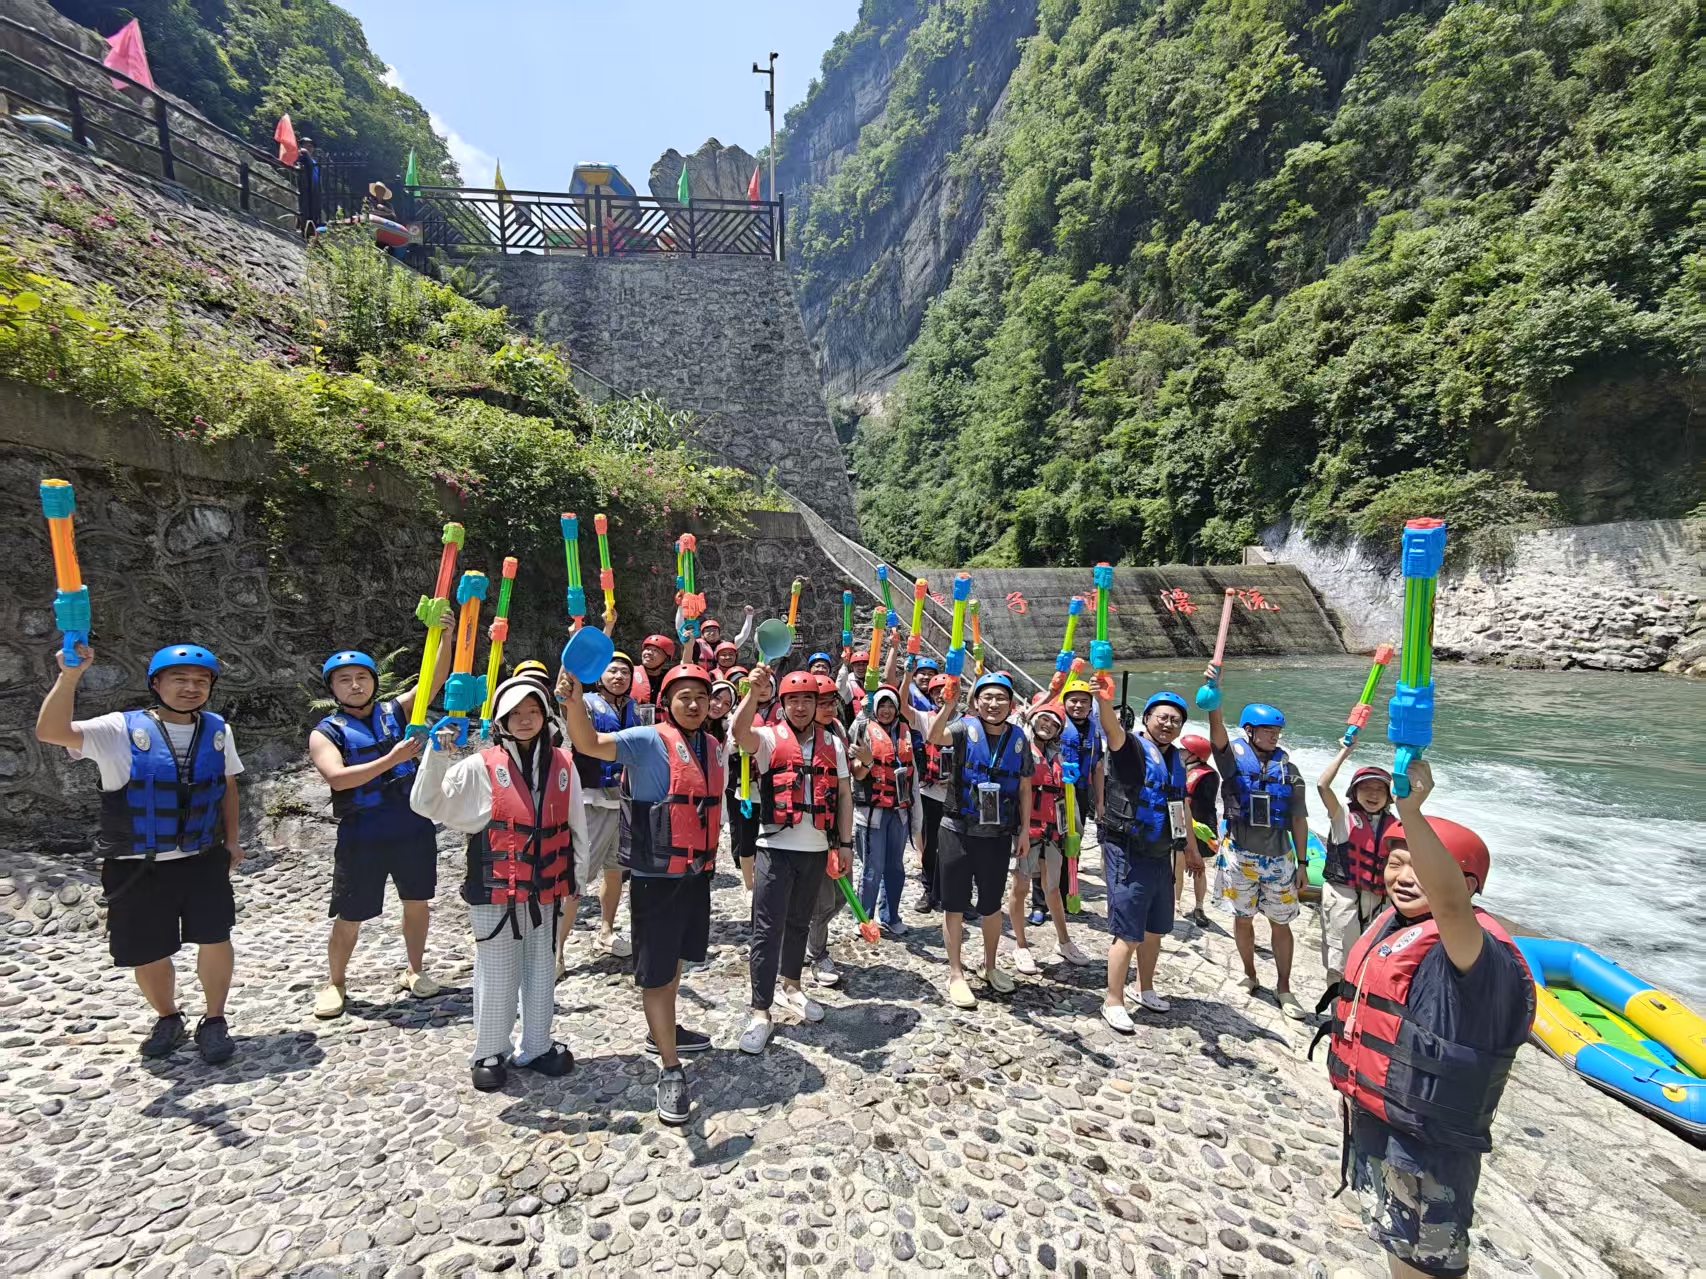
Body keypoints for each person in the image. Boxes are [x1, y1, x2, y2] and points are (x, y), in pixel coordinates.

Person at [1318, 761, 1534, 1279]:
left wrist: (1410, 811)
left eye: (1420, 866)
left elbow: (1451, 907)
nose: (1404, 877)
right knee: (1394, 1237)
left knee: (1429, 1262)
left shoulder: (1473, 952)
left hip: (1428, 1145)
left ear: (1467, 885)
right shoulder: (1395, 924)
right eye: (1396, 863)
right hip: (1380, 1117)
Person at [35, 642, 244, 1063]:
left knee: (215, 938)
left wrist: (233, 840)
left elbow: (227, 785)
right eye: (179, 679)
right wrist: (70, 675)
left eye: (201, 681)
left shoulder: (218, 729)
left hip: (203, 857)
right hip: (137, 864)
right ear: (155, 683)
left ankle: (214, 1019)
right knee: (149, 949)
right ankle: (168, 1017)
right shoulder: (118, 729)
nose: (191, 688)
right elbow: (51, 732)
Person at [560, 663, 724, 1126]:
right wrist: (574, 702)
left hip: (694, 874)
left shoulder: (712, 747)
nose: (693, 704)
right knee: (656, 974)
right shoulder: (647, 739)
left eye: (700, 697)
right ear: (666, 702)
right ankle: (670, 1069)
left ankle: (663, 1030)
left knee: (674, 962)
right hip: (657, 877)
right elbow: (589, 743)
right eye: (684, 696)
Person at [410, 677, 579, 1091]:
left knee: (542, 969)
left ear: (545, 716)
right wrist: (437, 756)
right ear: (501, 720)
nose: (525, 720)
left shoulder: (563, 763)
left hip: (545, 887)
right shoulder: (480, 765)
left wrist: (577, 875)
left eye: (533, 711)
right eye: (515, 713)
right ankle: (489, 1050)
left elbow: (577, 824)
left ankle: (537, 1044)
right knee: (498, 971)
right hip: (496, 888)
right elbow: (428, 804)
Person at [308, 646, 452, 1019]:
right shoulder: (325, 733)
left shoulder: (396, 711)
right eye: (344, 680)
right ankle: (336, 982)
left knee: (417, 902)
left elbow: (434, 678)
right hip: (363, 833)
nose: (355, 685)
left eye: (362, 678)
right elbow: (338, 778)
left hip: (411, 824)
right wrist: (392, 759)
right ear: (332, 689)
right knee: (350, 914)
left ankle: (415, 970)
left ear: (374, 682)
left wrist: (447, 634)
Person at [731, 667, 853, 1053]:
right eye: (793, 700)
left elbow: (844, 796)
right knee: (767, 930)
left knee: (800, 923)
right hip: (775, 847)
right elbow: (738, 733)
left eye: (808, 700)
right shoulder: (768, 737)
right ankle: (760, 1011)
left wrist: (845, 844)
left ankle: (792, 987)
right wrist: (752, 693)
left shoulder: (833, 744)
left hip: (815, 850)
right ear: (782, 704)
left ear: (818, 704)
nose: (801, 707)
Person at [1201, 675, 1310, 1019]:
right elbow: (1217, 735)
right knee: (1243, 918)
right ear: (1249, 731)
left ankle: (1284, 987)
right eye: (1267, 730)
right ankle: (1249, 974)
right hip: (1239, 855)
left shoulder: (1290, 771)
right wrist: (1214, 698)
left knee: (1281, 924)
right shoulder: (1233, 762)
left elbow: (1299, 819)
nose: (1274, 736)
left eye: (1277, 731)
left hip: (1279, 859)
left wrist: (1303, 863)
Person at [1093, 689, 1202, 1031]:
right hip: (1128, 851)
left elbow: (1180, 807)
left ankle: (1144, 987)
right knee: (1128, 933)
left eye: (1175, 720)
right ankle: (1113, 1000)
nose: (1168, 724)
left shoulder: (1176, 761)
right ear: (1147, 719)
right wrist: (1103, 700)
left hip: (1161, 853)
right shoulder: (1131, 749)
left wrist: (1192, 848)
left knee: (1155, 930)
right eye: (1162, 718)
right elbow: (1111, 730)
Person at [926, 672, 1033, 1008]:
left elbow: (1025, 787)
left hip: (997, 834)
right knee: (954, 904)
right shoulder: (962, 728)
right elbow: (934, 737)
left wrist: (1025, 830)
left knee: (991, 905)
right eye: (987, 697)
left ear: (1011, 704)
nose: (993, 703)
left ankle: (990, 966)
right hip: (957, 829)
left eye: (1001, 698)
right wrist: (948, 707)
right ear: (975, 701)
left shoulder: (1019, 738)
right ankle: (955, 973)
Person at [560, 653, 643, 973]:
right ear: (599, 676)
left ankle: (606, 931)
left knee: (616, 870)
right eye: (613, 671)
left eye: (625, 672)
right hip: (591, 800)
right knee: (576, 878)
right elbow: (565, 694)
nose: (619, 676)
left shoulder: (636, 709)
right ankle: (556, 951)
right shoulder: (584, 702)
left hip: (624, 801)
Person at [1006, 702, 1094, 973]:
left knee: (1053, 888)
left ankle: (1064, 941)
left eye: (1055, 724)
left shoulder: (1058, 757)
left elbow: (1066, 799)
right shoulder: (1019, 748)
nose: (1048, 726)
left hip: (1053, 832)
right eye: (1044, 720)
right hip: (1025, 831)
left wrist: (1074, 833)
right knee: (1020, 887)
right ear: (1033, 720)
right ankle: (1021, 945)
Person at [1316, 748, 1398, 986]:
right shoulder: (1342, 816)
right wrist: (1345, 751)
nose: (1373, 794)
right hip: (1344, 898)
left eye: (1380, 789)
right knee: (1339, 964)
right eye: (1366, 788)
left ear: (1389, 796)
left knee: (1374, 962)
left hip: (1380, 901)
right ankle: (1336, 1007)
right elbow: (1323, 786)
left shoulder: (1395, 825)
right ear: (1355, 792)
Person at [848, 685, 922, 935]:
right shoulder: (863, 729)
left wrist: (916, 817)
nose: (887, 710)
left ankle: (890, 916)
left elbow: (914, 774)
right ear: (875, 708)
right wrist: (868, 760)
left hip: (899, 811)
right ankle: (863, 918)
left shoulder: (906, 733)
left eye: (891, 705)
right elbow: (856, 772)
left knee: (896, 868)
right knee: (872, 868)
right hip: (872, 813)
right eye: (882, 706)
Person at [804, 673, 855, 987]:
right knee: (823, 900)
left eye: (831, 702)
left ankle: (807, 939)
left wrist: (845, 840)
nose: (828, 708)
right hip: (812, 831)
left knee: (841, 896)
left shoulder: (837, 733)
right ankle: (817, 953)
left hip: (837, 827)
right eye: (821, 703)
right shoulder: (800, 739)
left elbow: (846, 789)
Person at [1058, 677, 1106, 913]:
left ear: (1090, 705)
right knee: (1052, 843)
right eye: (1073, 701)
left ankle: (1068, 892)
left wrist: (1100, 803)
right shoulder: (1055, 724)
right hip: (1056, 792)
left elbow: (1097, 767)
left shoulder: (1094, 732)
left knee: (1073, 842)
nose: (1078, 705)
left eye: (1084, 701)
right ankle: (1042, 898)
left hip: (1081, 792)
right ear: (1065, 703)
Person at [910, 672, 952, 913]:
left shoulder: (968, 722)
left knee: (958, 847)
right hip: (930, 792)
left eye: (944, 691)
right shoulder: (925, 718)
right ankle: (929, 890)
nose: (940, 695)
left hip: (956, 795)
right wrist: (908, 671)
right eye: (935, 692)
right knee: (930, 844)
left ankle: (958, 893)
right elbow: (902, 704)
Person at [1178, 733, 1217, 927]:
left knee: (1198, 868)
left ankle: (1199, 907)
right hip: (1182, 822)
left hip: (1200, 825)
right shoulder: (1181, 770)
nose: (1180, 752)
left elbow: (1204, 806)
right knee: (1177, 864)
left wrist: (1194, 834)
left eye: (1184, 750)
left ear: (1196, 755)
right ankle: (1175, 903)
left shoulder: (1208, 776)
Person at [629, 634, 676, 710]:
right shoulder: (629, 673)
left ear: (666, 658)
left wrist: (688, 648)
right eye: (647, 649)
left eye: (655, 650)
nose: (649, 653)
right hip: (634, 716)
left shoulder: (670, 679)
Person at [295, 135, 322, 238]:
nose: (310, 148)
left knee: (315, 211)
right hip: (307, 188)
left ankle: (312, 232)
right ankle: (305, 232)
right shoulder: (303, 156)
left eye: (311, 146)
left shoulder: (312, 159)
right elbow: (299, 160)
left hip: (315, 189)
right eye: (308, 145)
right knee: (306, 210)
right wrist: (303, 151)